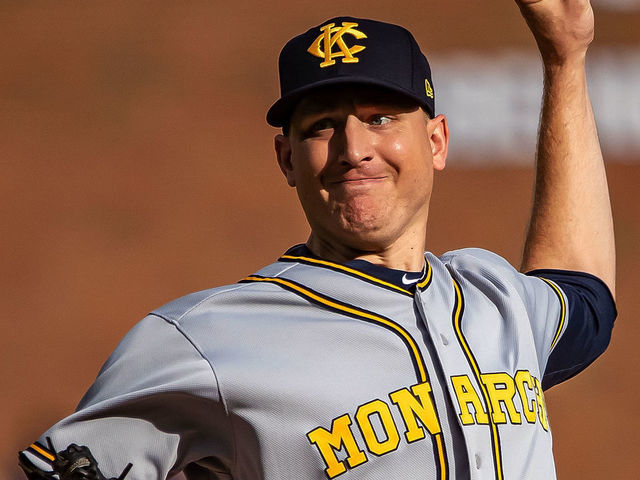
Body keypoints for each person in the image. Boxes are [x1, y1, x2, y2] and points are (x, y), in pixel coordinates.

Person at [19, 1, 616, 479]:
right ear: (287, 158)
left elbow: (583, 291)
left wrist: (565, 58)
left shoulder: (496, 301)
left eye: (379, 117)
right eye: (322, 126)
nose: (354, 149)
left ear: (435, 142)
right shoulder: (204, 340)